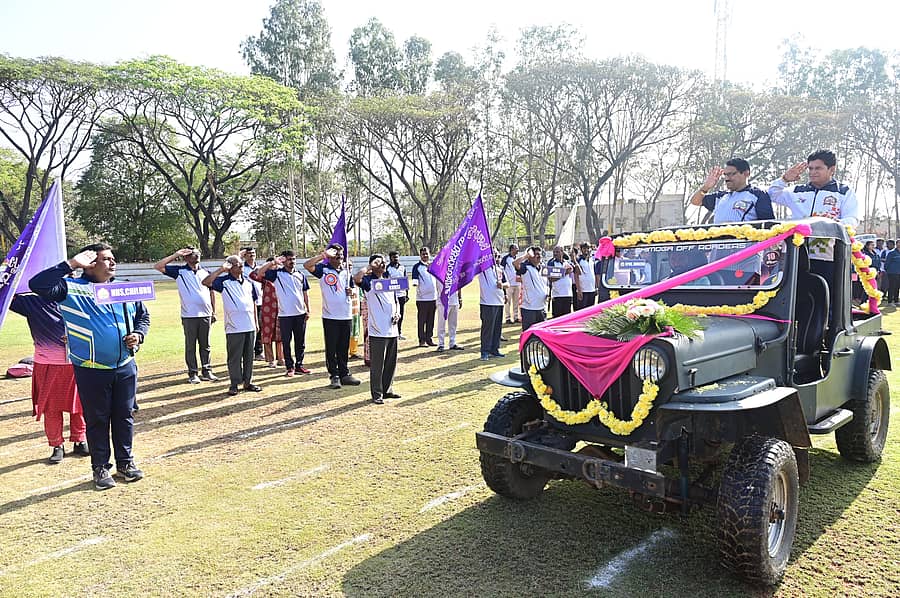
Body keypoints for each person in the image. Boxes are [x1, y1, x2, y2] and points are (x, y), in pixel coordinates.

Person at [30, 243, 150, 491]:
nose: (112, 262)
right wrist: (71, 264)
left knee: (124, 416)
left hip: (126, 365)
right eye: (106, 259)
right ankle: (101, 467)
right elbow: (37, 285)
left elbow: (143, 317)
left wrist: (138, 334)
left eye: (113, 258)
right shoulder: (71, 289)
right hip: (91, 368)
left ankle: (125, 463)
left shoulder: (123, 288)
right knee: (97, 419)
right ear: (90, 264)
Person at [10, 294, 88, 464]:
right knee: (51, 408)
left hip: (78, 361)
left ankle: (80, 439)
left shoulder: (80, 298)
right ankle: (56, 445)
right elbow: (6, 294)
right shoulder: (31, 302)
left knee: (80, 405)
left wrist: (78, 337)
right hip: (47, 363)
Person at [770, 149, 859, 282]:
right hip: (795, 254)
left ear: (831, 169)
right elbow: (772, 194)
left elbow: (852, 219)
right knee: (796, 297)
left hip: (828, 256)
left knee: (825, 297)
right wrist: (785, 179)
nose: (812, 172)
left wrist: (833, 224)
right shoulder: (797, 190)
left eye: (818, 168)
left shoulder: (843, 192)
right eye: (810, 168)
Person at [153, 247, 219, 384]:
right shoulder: (179, 271)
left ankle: (207, 370)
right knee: (191, 345)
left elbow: (211, 292)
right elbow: (158, 266)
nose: (196, 255)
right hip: (189, 315)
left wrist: (213, 311)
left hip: (205, 314)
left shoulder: (206, 272)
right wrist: (175, 254)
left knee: (205, 344)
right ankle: (193, 373)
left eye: (197, 253)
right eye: (192, 254)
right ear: (186, 258)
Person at [203, 255, 262, 396]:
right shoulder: (224, 282)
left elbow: (253, 302)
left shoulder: (249, 282)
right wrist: (221, 270)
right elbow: (206, 282)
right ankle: (234, 383)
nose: (241, 266)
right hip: (234, 326)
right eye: (237, 264)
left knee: (249, 356)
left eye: (241, 264)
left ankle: (248, 381)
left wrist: (256, 322)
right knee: (235, 357)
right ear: (230, 267)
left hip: (250, 325)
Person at [304, 244, 361, 389]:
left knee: (343, 347)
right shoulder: (323, 270)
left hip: (346, 315)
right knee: (332, 348)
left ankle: (344, 374)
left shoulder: (347, 271)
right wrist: (323, 256)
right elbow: (307, 265)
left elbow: (351, 289)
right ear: (330, 257)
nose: (340, 258)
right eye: (336, 255)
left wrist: (351, 292)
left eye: (341, 255)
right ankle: (334, 375)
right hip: (331, 316)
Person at [253, 251, 311, 377]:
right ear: (283, 261)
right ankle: (289, 367)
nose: (292, 261)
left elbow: (305, 293)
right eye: (289, 259)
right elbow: (259, 273)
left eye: (293, 259)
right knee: (286, 341)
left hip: (300, 313)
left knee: (300, 342)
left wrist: (308, 309)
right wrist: (273, 262)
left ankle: (299, 365)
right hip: (285, 315)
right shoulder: (277, 274)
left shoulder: (300, 274)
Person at [354, 254, 402, 404]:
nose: (382, 264)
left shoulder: (389, 280)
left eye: (383, 262)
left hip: (392, 329)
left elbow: (396, 300)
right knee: (377, 364)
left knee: (390, 362)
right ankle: (377, 393)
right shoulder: (369, 282)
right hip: (377, 330)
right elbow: (356, 279)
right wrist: (369, 267)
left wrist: (397, 313)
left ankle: (387, 390)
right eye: (379, 262)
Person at [691, 158, 775, 223]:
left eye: (731, 174)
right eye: (725, 175)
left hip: (746, 244)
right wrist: (706, 187)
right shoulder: (720, 196)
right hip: (718, 243)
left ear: (746, 173)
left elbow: (767, 224)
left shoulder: (758, 195)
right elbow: (695, 201)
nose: (727, 178)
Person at [252, 257, 285, 369]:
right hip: (267, 309)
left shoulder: (281, 275)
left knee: (280, 335)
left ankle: (281, 358)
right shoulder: (265, 278)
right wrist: (268, 265)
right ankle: (270, 359)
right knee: (267, 335)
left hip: (280, 308)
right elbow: (253, 275)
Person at [478, 251, 507, 360]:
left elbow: (507, 284)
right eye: (494, 255)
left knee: (497, 328)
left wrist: (502, 285)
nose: (496, 257)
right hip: (487, 303)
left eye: (498, 256)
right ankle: (485, 351)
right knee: (487, 328)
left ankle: (495, 349)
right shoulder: (483, 269)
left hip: (499, 302)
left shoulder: (500, 269)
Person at [514, 246, 549, 331]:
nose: (538, 256)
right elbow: (515, 263)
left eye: (539, 254)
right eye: (536, 254)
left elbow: (546, 284)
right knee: (529, 334)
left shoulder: (543, 268)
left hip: (541, 307)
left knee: (542, 335)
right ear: (530, 256)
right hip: (529, 309)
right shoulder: (526, 267)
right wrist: (526, 256)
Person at [411, 246, 438, 347]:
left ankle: (429, 338)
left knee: (431, 320)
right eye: (423, 254)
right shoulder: (417, 267)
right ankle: (422, 340)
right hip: (422, 299)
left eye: (426, 254)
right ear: (420, 255)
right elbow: (414, 282)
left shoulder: (433, 266)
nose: (425, 256)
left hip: (433, 298)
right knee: (422, 320)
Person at [241, 247, 264, 359]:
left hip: (262, 300)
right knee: (252, 325)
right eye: (248, 253)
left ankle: (259, 351)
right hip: (249, 300)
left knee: (261, 326)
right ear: (244, 256)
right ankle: (250, 351)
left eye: (253, 253)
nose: (251, 255)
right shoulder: (242, 268)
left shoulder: (260, 267)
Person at [546, 245, 577, 318]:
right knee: (557, 316)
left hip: (568, 294)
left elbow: (578, 271)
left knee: (567, 317)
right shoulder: (551, 263)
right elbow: (551, 279)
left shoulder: (567, 263)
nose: (555, 254)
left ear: (562, 252)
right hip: (557, 295)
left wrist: (574, 259)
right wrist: (564, 272)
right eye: (554, 252)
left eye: (557, 252)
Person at [434, 280, 463, 352]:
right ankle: (441, 344)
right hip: (443, 301)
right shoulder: (440, 270)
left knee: (453, 324)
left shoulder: (455, 270)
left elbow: (459, 284)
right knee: (441, 324)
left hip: (454, 300)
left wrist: (460, 298)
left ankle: (452, 343)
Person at [386, 251, 408, 340]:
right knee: (391, 314)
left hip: (401, 295)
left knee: (401, 314)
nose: (396, 259)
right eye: (394, 257)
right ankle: (391, 332)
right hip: (392, 295)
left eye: (397, 257)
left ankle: (399, 332)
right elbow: (386, 282)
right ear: (390, 258)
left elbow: (405, 281)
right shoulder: (387, 268)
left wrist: (407, 294)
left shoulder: (402, 267)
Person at [500, 244, 521, 324]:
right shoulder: (506, 259)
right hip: (509, 284)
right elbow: (501, 270)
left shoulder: (518, 259)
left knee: (516, 301)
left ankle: (516, 317)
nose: (517, 250)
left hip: (517, 283)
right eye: (516, 249)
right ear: (512, 249)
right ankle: (508, 317)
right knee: (508, 301)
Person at [575, 242, 597, 309]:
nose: (586, 250)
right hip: (583, 290)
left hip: (592, 289)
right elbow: (576, 275)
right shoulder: (578, 260)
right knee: (582, 310)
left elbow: (594, 274)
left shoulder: (592, 259)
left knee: (590, 310)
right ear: (581, 249)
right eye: (584, 248)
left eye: (588, 248)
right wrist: (579, 290)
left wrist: (596, 287)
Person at [883, 241, 900, 306]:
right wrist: (888, 270)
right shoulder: (891, 253)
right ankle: (890, 302)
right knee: (892, 287)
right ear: (897, 244)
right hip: (892, 273)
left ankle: (896, 301)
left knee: (897, 287)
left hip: (899, 273)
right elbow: (887, 263)